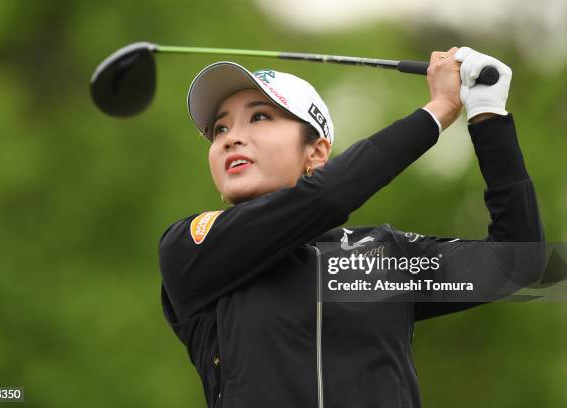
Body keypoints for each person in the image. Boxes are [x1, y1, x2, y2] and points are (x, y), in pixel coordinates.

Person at [158, 46, 544, 407]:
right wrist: (437, 110)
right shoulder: (192, 248)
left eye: (259, 117)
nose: (231, 139)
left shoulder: (382, 257)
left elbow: (517, 263)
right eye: (219, 130)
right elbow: (327, 197)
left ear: (317, 151)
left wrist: (487, 115)